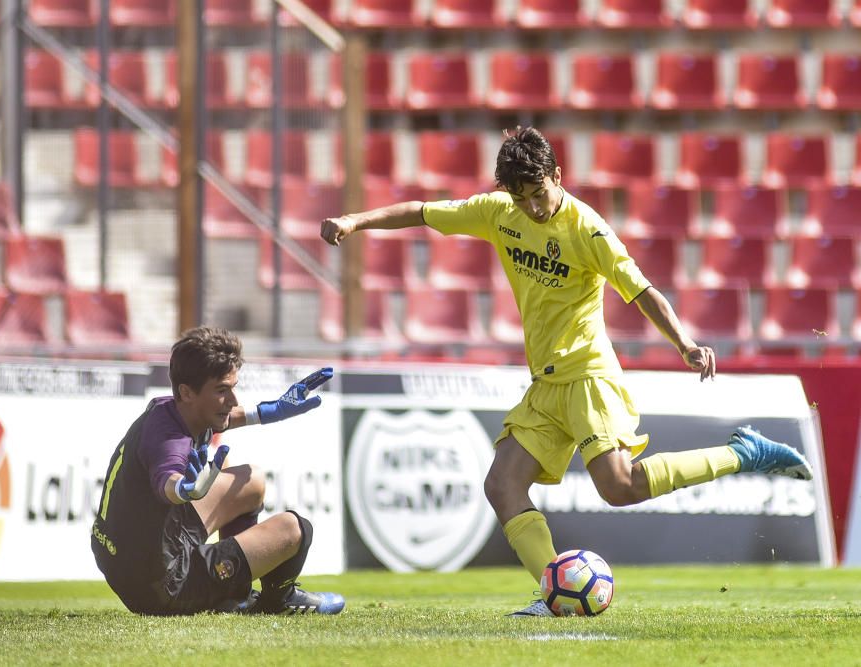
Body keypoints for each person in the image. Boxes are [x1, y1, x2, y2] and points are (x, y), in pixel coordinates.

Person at [320, 126, 813, 617]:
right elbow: (423, 213)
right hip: (546, 384)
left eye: (539, 194)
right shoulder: (500, 213)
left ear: (558, 176)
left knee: (619, 487)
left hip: (588, 376)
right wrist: (353, 220)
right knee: (502, 486)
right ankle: (554, 591)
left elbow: (642, 291)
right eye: (521, 197)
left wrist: (683, 343)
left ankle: (741, 453)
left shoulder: (588, 229)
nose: (532, 207)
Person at [91, 326, 345, 616]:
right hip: (162, 585)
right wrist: (183, 489)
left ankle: (233, 595)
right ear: (187, 392)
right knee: (295, 529)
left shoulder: (172, 410)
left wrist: (268, 411)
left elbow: (221, 418)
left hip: (127, 558)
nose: (234, 400)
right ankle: (278, 599)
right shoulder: (170, 441)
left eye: (233, 388)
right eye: (222, 390)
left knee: (251, 481)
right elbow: (168, 478)